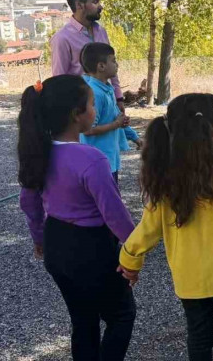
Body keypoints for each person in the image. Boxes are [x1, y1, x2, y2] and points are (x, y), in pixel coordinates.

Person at [118, 93, 213, 361]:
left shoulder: (164, 175)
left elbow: (149, 228)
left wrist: (130, 258)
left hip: (189, 278)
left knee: (199, 336)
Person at [17, 75, 136, 361]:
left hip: (57, 244)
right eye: (92, 105)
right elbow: (114, 214)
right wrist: (135, 252)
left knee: (82, 319)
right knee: (121, 315)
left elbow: (28, 201)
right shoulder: (91, 159)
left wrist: (39, 238)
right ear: (76, 115)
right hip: (92, 249)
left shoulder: (38, 152)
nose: (95, 111)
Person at [50, 0, 125, 113]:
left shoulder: (101, 31)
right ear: (79, 5)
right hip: (82, 108)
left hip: (108, 102)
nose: (100, 6)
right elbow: (59, 80)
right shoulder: (62, 38)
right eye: (95, 2)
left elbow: (110, 64)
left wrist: (118, 97)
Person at [79, 42, 141, 186]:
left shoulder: (108, 89)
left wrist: (135, 137)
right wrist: (115, 124)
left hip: (110, 159)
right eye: (113, 61)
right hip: (97, 162)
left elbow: (116, 118)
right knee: (105, 202)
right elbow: (87, 130)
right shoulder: (95, 93)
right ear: (101, 66)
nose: (117, 64)